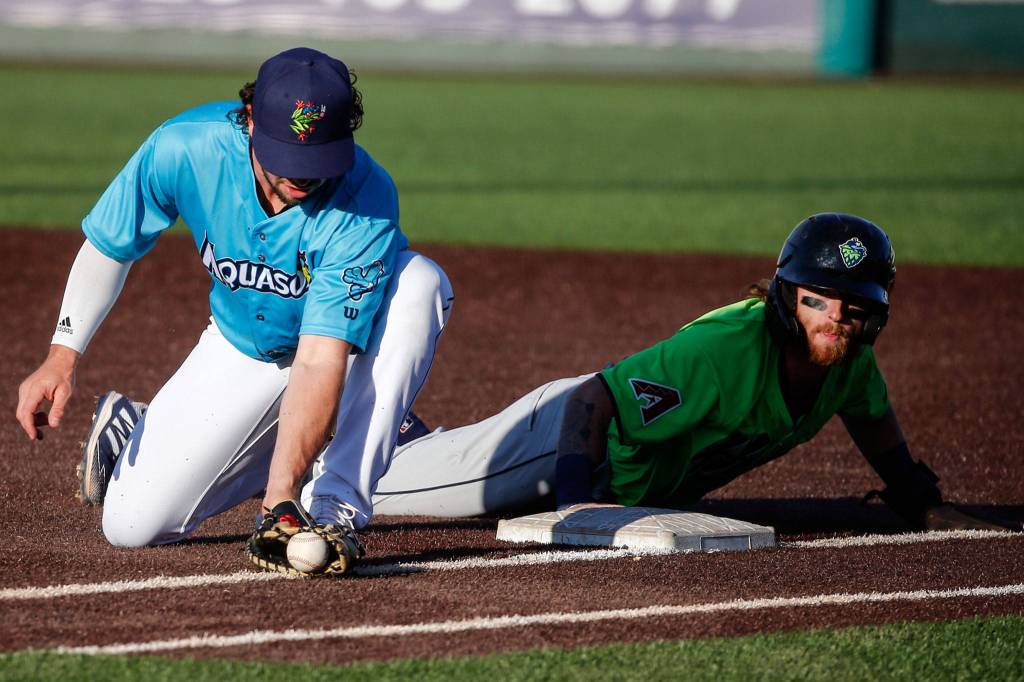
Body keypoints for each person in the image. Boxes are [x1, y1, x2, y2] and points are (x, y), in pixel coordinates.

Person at [15, 47, 454, 575]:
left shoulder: (364, 194)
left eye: (316, 162)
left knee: (418, 282)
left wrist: (280, 500)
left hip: (338, 349)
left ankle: (334, 503)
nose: (302, 179)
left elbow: (319, 358)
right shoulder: (185, 147)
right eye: (287, 158)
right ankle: (138, 424)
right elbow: (111, 243)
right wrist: (62, 355)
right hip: (243, 345)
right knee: (131, 526)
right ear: (248, 120)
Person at [370, 214, 1005, 532]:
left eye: (855, 305)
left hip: (618, 470)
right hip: (556, 444)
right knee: (376, 486)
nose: (836, 317)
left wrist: (920, 498)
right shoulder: (726, 350)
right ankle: (356, 428)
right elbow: (594, 398)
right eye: (818, 297)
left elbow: (876, 424)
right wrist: (575, 506)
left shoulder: (849, 364)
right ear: (787, 295)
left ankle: (407, 436)